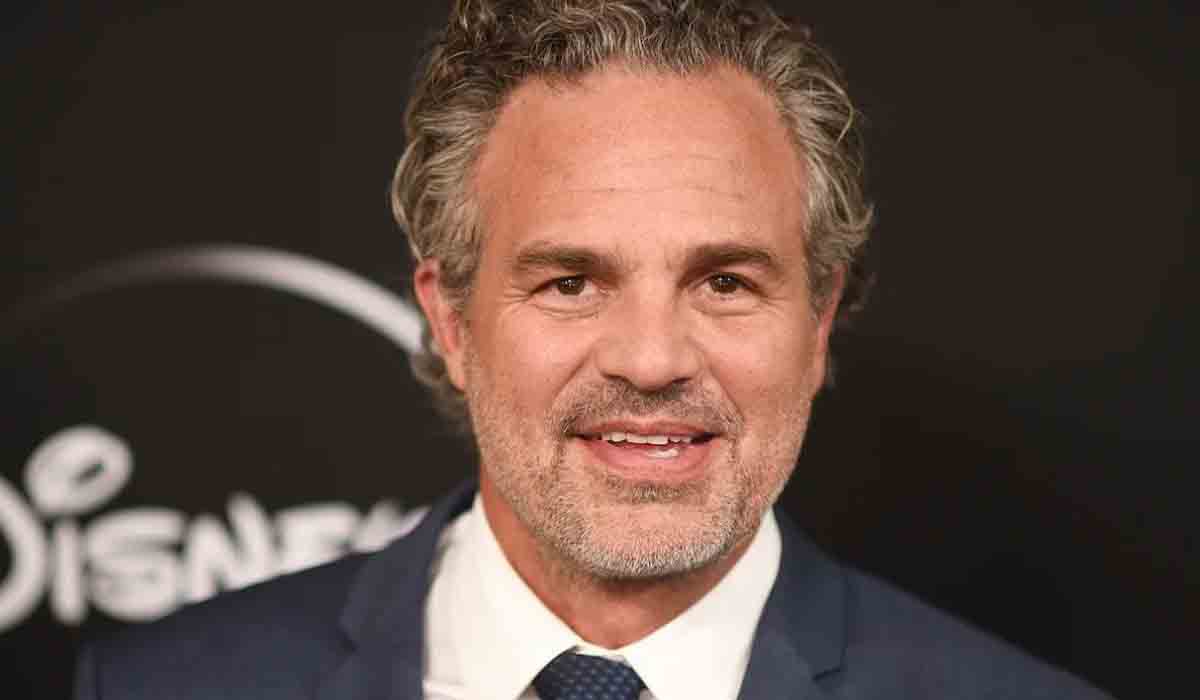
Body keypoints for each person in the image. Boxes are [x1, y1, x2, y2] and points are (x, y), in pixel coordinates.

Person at [74, 1, 1112, 698]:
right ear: (450, 320)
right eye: (570, 282)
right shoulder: (163, 687)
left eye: (725, 282)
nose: (652, 360)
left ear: (819, 320)